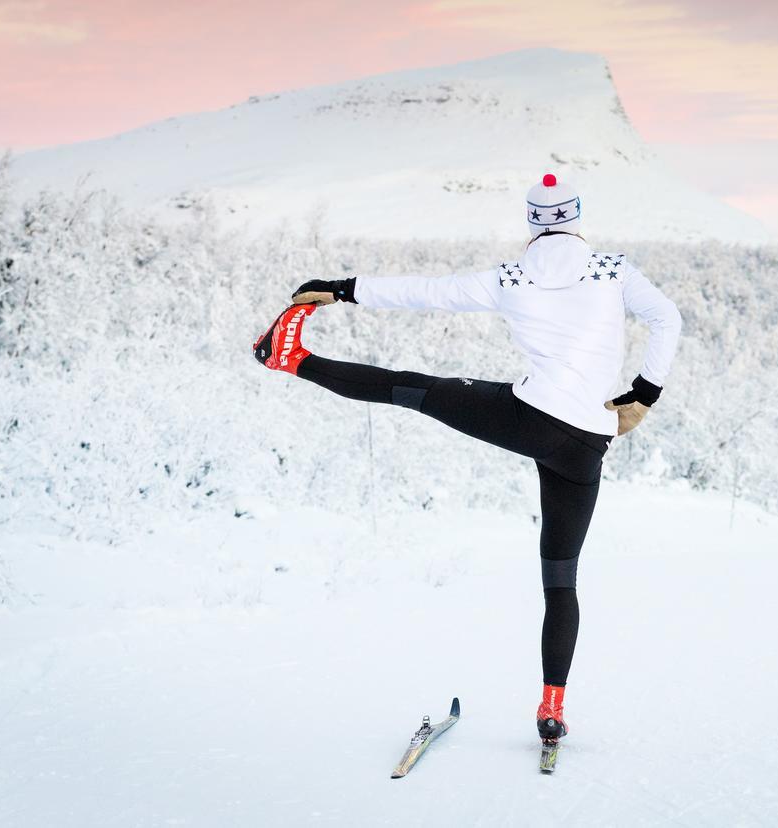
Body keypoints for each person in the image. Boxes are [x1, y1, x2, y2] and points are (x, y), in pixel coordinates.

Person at [253, 173, 681, 745]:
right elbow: (667, 319)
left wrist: (343, 287)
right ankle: (552, 707)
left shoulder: (510, 277)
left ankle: (290, 357)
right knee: (561, 580)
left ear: (532, 222)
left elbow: (428, 291)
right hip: (587, 445)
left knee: (412, 388)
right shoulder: (612, 271)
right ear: (577, 217)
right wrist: (642, 397)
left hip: (529, 418)